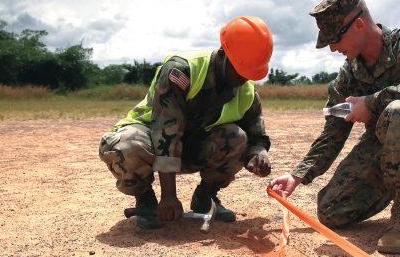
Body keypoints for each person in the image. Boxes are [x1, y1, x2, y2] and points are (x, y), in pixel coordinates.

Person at [270, 0, 400, 254]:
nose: (333, 47)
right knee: (332, 211)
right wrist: (297, 175)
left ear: (358, 24)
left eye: (335, 37)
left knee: (398, 111)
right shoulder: (348, 76)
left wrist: (371, 103)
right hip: (382, 146)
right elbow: (332, 134)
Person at [100, 15, 274, 229]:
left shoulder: (246, 91)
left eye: (249, 73)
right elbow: (166, 131)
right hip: (153, 142)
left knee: (236, 137)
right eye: (239, 69)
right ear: (222, 54)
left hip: (192, 148)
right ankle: (145, 200)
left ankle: (205, 199)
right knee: (126, 145)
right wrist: (169, 196)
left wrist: (257, 154)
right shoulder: (181, 71)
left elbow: (257, 136)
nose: (243, 79)